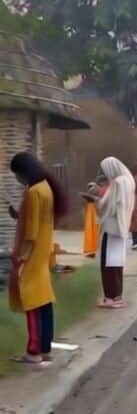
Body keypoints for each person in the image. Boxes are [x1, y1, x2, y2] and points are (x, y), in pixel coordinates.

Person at [8, 153, 67, 365]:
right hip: (42, 252)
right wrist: (19, 215)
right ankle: (45, 348)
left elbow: (31, 233)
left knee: (31, 301)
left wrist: (21, 259)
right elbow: (39, 220)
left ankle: (33, 352)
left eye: (17, 174)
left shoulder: (33, 192)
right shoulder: (45, 188)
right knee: (43, 300)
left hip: (32, 254)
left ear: (24, 171)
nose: (17, 179)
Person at [95, 157, 136, 309]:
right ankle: (117, 296)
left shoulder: (118, 182)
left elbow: (110, 206)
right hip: (121, 228)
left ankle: (110, 297)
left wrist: (96, 200)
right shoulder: (128, 180)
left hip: (112, 228)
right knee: (116, 264)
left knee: (108, 265)